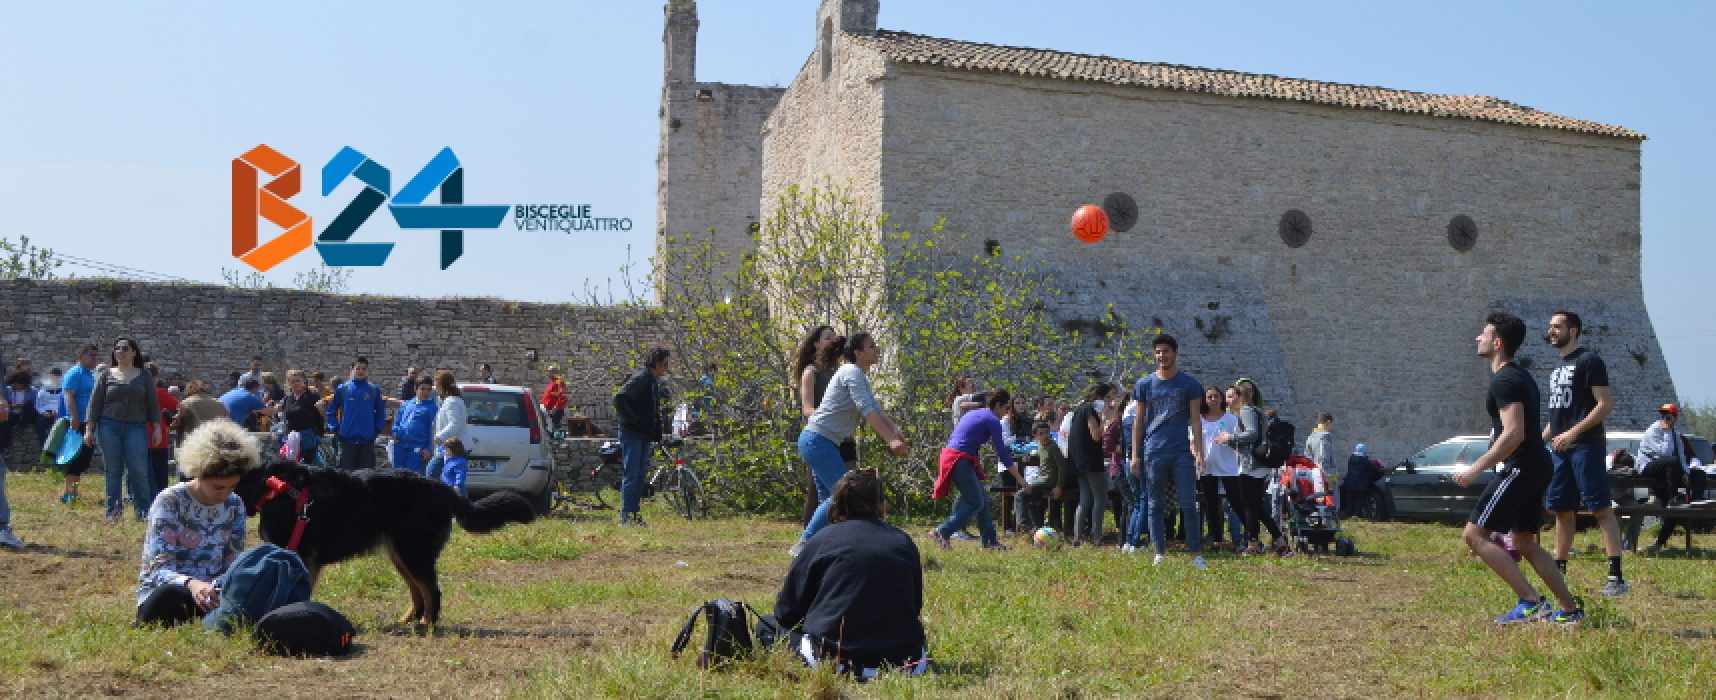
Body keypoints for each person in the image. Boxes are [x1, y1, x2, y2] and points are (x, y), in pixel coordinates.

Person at [1452, 312, 1582, 625]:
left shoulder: (1504, 380)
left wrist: (1476, 469)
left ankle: (1530, 600)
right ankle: (1569, 609)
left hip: (1521, 467)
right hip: (1537, 465)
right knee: (1524, 541)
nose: (1477, 338)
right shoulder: (1519, 376)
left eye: (1483, 334)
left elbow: (1514, 433)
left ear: (1497, 343)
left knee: (1475, 535)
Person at [774, 468, 928, 678]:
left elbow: (786, 614)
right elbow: (913, 606)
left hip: (833, 658)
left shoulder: (821, 540)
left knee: (767, 627)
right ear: (880, 506)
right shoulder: (903, 542)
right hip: (905, 661)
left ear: (836, 506)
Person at [791, 334, 908, 555]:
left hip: (822, 442)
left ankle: (822, 547)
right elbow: (868, 412)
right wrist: (891, 441)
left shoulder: (858, 376)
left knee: (831, 500)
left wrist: (895, 430)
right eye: (871, 346)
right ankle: (804, 548)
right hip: (817, 440)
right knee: (840, 495)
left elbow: (876, 409)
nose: (877, 350)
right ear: (858, 353)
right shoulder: (850, 372)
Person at [1540, 311, 1628, 595]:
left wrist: (1573, 433)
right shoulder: (1557, 369)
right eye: (1551, 327)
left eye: (1557, 326)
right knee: (1561, 510)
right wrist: (1539, 441)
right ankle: (1559, 570)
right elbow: (1556, 416)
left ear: (1573, 330)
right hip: (1559, 450)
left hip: (1586, 447)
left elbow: (1604, 404)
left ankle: (1615, 576)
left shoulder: (1589, 361)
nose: (1551, 331)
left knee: (1600, 508)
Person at [134, 420, 255, 627]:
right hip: (171, 590)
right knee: (171, 595)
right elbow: (158, 568)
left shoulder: (235, 505)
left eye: (232, 486)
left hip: (214, 593)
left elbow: (231, 561)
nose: (225, 494)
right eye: (218, 487)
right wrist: (192, 584)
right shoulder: (170, 500)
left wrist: (218, 586)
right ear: (198, 475)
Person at [1128, 335, 1208, 568]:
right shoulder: (1145, 384)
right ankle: (1159, 552)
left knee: (1188, 503)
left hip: (1181, 450)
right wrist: (1135, 454)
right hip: (1153, 450)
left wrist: (1199, 453)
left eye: (1166, 351)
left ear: (1175, 353)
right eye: (1158, 352)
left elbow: (1195, 420)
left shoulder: (1189, 384)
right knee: (1155, 504)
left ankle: (1196, 554)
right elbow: (1139, 421)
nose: (1162, 356)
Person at [84, 337, 164, 521]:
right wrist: (89, 429)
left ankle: (143, 511)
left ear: (134, 352)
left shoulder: (143, 375)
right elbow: (94, 404)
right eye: (117, 348)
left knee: (139, 470)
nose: (120, 351)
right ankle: (113, 511)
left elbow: (152, 404)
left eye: (125, 348)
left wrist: (157, 427)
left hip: (136, 426)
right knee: (113, 470)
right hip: (108, 425)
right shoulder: (105, 375)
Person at [929, 391, 1016, 550]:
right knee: (975, 502)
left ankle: (990, 542)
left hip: (955, 458)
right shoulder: (992, 420)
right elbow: (1002, 452)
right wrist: (1020, 480)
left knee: (982, 500)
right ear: (997, 406)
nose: (1007, 412)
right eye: (1006, 408)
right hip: (959, 459)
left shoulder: (977, 413)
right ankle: (942, 531)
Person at [794, 325, 845, 526]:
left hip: (841, 437)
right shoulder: (811, 372)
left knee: (845, 488)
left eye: (834, 338)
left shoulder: (841, 372)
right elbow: (807, 408)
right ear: (816, 344)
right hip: (819, 436)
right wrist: (828, 420)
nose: (831, 342)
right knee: (817, 491)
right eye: (826, 338)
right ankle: (808, 537)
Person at [614, 349, 670, 527]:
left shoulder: (653, 381)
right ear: (656, 363)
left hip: (643, 435)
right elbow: (620, 398)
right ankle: (626, 516)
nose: (667, 368)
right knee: (631, 474)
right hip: (632, 434)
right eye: (665, 364)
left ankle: (634, 512)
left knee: (639, 476)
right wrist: (634, 420)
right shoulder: (641, 378)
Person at [1063, 383, 1113, 546]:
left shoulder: (1079, 410)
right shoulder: (1089, 410)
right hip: (1090, 461)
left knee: (1084, 499)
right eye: (1107, 398)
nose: (1108, 402)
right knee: (1100, 497)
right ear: (1100, 397)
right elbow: (1096, 436)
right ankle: (1097, 536)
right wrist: (1105, 420)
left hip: (1078, 462)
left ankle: (1077, 536)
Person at [1198, 385, 1243, 551]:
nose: (1213, 400)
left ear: (1221, 399)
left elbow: (1238, 440)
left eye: (1216, 396)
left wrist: (1229, 440)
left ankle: (1249, 537)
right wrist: (1198, 457)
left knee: (1236, 502)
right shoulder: (1200, 419)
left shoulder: (1231, 419)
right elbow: (1193, 441)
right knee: (1211, 504)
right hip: (1207, 467)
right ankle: (1217, 539)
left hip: (1228, 465)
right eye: (1210, 397)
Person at [324, 357, 388, 471]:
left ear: (368, 371)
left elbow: (381, 412)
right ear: (352, 369)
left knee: (366, 478)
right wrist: (335, 428)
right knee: (347, 478)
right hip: (347, 441)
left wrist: (377, 429)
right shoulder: (343, 389)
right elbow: (331, 411)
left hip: (367, 441)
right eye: (358, 368)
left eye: (364, 369)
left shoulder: (373, 390)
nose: (361, 371)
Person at [58, 345, 101, 504]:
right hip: (79, 422)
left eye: (96, 355)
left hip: (88, 421)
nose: (94, 358)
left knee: (83, 459)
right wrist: (74, 417)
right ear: (81, 356)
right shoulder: (75, 373)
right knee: (75, 459)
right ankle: (69, 494)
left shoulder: (90, 374)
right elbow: (69, 396)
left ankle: (72, 492)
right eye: (91, 355)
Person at [1017, 421, 1063, 532]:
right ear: (1035, 436)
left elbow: (1062, 467)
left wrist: (1059, 486)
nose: (1045, 436)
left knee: (1020, 495)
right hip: (1041, 479)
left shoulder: (1053, 447)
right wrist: (1030, 456)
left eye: (1047, 433)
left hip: (1049, 481)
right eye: (1041, 434)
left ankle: (1024, 526)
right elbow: (1041, 454)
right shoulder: (1041, 445)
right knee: (1033, 499)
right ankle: (1037, 527)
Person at [1638, 404, 1687, 506]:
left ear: (1675, 418)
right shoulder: (1653, 430)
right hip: (1647, 466)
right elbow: (1665, 454)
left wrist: (1686, 472)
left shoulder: (1675, 434)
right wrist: (1667, 432)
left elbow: (1681, 456)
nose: (1665, 419)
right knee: (1672, 461)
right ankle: (1673, 498)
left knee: (1699, 473)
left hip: (1664, 467)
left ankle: (1698, 502)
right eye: (1663, 416)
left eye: (1668, 416)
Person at [145, 366, 180, 501]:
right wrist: (175, 422)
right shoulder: (158, 392)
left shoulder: (136, 393)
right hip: (158, 440)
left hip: (139, 438)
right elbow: (180, 406)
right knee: (159, 473)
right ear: (155, 377)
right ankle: (160, 498)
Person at [426, 370, 468, 481]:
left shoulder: (452, 401)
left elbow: (455, 423)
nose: (435, 388)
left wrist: (440, 436)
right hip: (448, 447)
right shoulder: (449, 400)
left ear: (441, 385)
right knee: (451, 480)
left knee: (431, 473)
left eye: (436, 384)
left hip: (453, 447)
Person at [277, 370, 326, 466]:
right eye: (292, 381)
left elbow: (322, 416)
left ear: (304, 382)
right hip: (291, 438)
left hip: (308, 437)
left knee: (308, 465)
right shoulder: (287, 399)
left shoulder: (312, 397)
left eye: (297, 381)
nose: (295, 383)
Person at [389, 378, 437, 474]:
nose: (426, 392)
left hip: (417, 447)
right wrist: (394, 433)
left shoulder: (432, 407)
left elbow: (433, 430)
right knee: (398, 475)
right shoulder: (406, 404)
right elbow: (397, 421)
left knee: (413, 477)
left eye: (429, 389)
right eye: (422, 389)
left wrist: (429, 448)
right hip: (400, 445)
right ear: (416, 389)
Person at [1340, 443, 1384, 518]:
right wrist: (1381, 469)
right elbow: (1374, 470)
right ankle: (1355, 516)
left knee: (1350, 501)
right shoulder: (1364, 461)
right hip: (1360, 485)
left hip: (1349, 484)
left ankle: (1347, 515)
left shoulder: (1351, 459)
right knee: (1359, 501)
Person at [1, 371, 35, 461]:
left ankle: (20, 428)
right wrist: (12, 405)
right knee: (4, 426)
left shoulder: (32, 391)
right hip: (11, 413)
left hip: (25, 414)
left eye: (18, 384)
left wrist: (22, 405)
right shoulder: (7, 390)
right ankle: (5, 448)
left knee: (29, 406)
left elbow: (35, 405)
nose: (15, 385)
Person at [1305, 412, 1336, 511]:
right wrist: (1329, 477)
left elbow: (1307, 456)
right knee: (1329, 502)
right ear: (1328, 422)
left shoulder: (1310, 436)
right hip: (1326, 473)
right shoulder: (1326, 436)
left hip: (1313, 473)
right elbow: (1324, 457)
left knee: (1317, 500)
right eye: (1331, 424)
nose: (1332, 427)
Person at [33, 367, 62, 445]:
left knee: (59, 425)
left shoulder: (64, 389)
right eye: (53, 376)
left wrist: (57, 411)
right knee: (39, 423)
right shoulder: (43, 389)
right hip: (45, 412)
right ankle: (44, 445)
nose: (55, 378)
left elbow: (65, 403)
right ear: (49, 376)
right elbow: (38, 404)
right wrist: (43, 412)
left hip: (58, 412)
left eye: (57, 376)